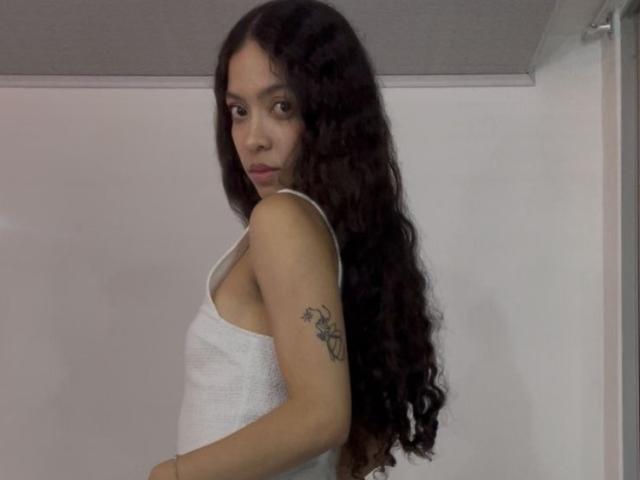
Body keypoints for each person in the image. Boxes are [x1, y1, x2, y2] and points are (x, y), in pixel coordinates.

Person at [148, 1, 448, 479]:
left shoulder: (281, 219)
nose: (253, 138)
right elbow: (353, 446)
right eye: (238, 111)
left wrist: (169, 475)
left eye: (281, 107)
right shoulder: (325, 239)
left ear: (330, 114)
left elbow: (322, 417)